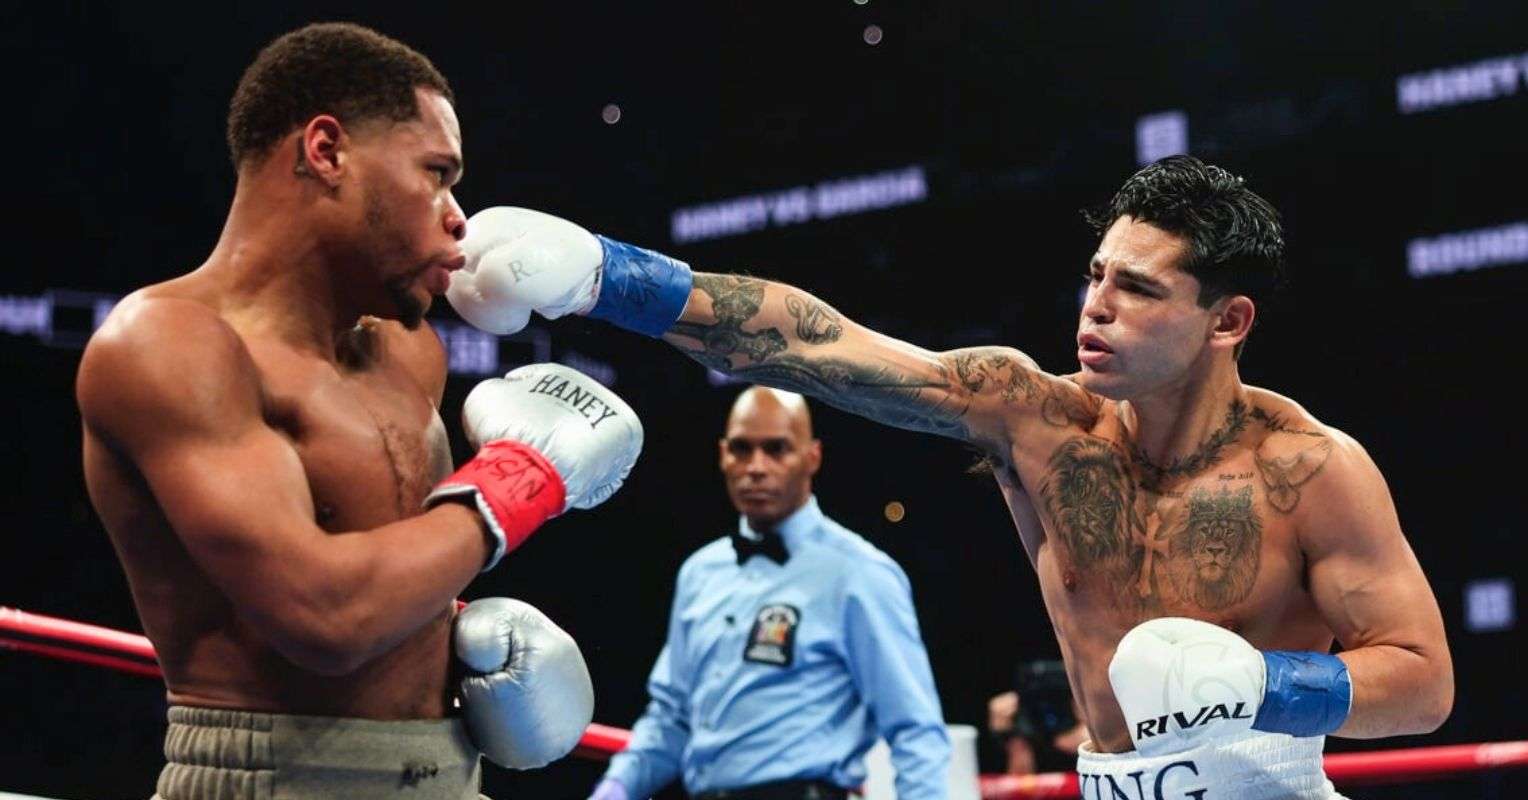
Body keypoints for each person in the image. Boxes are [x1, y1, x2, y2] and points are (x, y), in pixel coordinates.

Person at [444, 155, 1455, 798]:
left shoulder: (1309, 468)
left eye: (1138, 289)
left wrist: (1257, 683)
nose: (1095, 307)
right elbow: (819, 345)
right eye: (1096, 274)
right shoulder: (1037, 416)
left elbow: (1420, 682)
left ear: (1226, 321)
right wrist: (605, 276)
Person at [75, 23, 644, 799]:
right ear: (326, 151)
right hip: (273, 778)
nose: (459, 219)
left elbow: (400, 572)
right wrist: (521, 480)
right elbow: (325, 617)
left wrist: (458, 645)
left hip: (449, 774)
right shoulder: (170, 346)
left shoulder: (408, 354)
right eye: (436, 174)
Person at [588, 387, 950, 800]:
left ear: (812, 457)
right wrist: (615, 788)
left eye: (776, 450)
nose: (755, 467)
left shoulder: (859, 574)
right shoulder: (700, 573)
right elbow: (671, 718)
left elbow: (914, 729)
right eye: (742, 449)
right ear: (723, 455)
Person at [986, 660, 1087, 775]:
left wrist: (1094, 740)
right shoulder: (1024, 727)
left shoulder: (1090, 727)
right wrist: (1012, 741)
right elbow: (1021, 786)